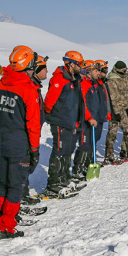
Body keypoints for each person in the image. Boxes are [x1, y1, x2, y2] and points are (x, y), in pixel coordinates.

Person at [0, 46, 41, 238]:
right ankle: (6, 225)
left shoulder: (1, 83)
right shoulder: (28, 89)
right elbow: (33, 124)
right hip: (19, 145)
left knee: (2, 182)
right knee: (15, 185)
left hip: (0, 142)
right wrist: (35, 149)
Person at [41, 51, 84, 198]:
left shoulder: (74, 79)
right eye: (79, 64)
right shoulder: (60, 79)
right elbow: (49, 102)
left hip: (70, 122)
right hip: (60, 121)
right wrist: (54, 116)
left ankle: (64, 178)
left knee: (66, 152)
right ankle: (53, 183)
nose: (81, 67)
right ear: (71, 64)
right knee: (58, 152)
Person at [22, 54, 48, 206]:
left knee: (28, 165)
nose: (47, 72)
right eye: (44, 68)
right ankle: (21, 197)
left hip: (32, 132)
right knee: (24, 165)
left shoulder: (35, 86)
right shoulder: (29, 87)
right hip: (26, 135)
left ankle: (23, 195)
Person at [73, 60, 104, 180]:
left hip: (93, 120)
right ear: (89, 72)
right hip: (86, 121)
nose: (98, 73)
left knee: (91, 144)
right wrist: (89, 117)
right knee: (84, 145)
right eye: (96, 71)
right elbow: (83, 103)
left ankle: (87, 166)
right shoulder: (84, 84)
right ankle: (77, 170)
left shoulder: (93, 84)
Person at [104, 61, 128, 164]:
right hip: (115, 111)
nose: (125, 72)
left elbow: (124, 93)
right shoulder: (112, 80)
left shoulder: (122, 78)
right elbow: (113, 98)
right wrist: (115, 112)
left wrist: (127, 106)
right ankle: (108, 155)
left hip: (123, 109)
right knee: (112, 133)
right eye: (123, 70)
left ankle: (126, 151)